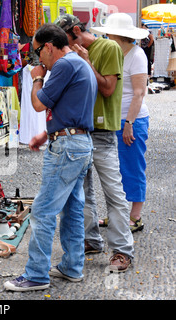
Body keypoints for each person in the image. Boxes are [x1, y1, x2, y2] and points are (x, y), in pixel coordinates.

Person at [4, 23, 97, 291]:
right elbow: (71, 110)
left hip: (69, 147)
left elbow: (38, 103)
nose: (37, 60)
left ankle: (36, 274)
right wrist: (46, 135)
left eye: (37, 53)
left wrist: (36, 77)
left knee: (43, 211)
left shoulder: (65, 65)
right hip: (79, 143)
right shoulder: (77, 63)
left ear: (48, 46)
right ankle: (72, 267)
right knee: (72, 209)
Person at [55, 14, 134, 272]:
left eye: (64, 39)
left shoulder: (107, 47)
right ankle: (91, 240)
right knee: (82, 195)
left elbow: (108, 89)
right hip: (80, 133)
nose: (62, 45)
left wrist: (86, 62)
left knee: (113, 193)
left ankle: (122, 250)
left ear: (77, 31)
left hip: (102, 134)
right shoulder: (73, 54)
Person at [90, 13, 150, 233]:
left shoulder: (137, 55)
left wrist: (129, 123)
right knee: (114, 170)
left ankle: (135, 216)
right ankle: (117, 213)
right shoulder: (112, 51)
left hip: (131, 119)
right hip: (114, 119)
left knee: (133, 166)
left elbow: (139, 93)